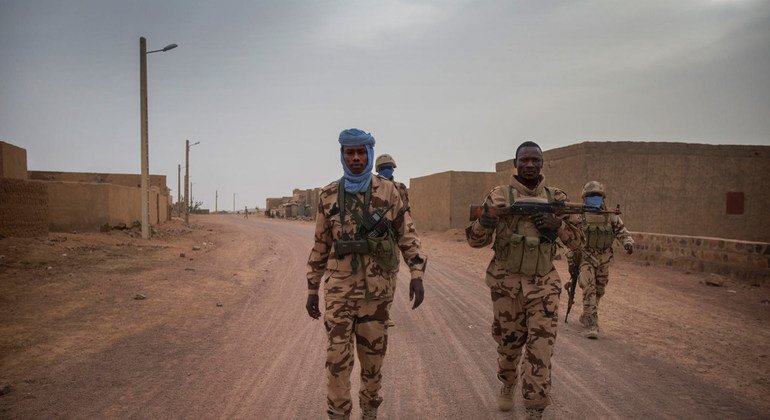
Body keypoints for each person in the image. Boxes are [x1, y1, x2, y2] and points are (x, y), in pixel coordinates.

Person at [306, 128, 427, 420]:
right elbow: (321, 244)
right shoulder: (328, 195)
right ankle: (339, 414)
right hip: (339, 291)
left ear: (370, 154)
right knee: (337, 359)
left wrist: (417, 272)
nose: (357, 158)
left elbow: (406, 234)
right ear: (343, 155)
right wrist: (312, 288)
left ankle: (370, 412)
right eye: (351, 152)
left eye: (362, 152)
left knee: (373, 363)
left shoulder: (389, 192)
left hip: (377, 293)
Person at [466, 141, 583, 420]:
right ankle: (507, 382)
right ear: (515, 164)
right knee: (508, 345)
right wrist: (486, 222)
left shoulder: (557, 199)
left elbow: (579, 243)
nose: (530, 165)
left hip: (543, 285)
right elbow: (474, 240)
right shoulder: (497, 196)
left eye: (535, 160)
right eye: (524, 160)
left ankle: (534, 408)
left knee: (540, 350)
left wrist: (559, 227)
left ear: (542, 164)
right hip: (506, 286)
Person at [569, 181, 634, 339]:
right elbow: (570, 238)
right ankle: (592, 323)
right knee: (589, 288)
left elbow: (622, 231)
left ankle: (587, 314)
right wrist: (571, 258)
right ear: (584, 198)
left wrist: (628, 243)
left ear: (603, 198)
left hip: (604, 259)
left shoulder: (610, 215)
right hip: (586, 257)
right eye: (591, 196)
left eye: (597, 196)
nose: (594, 199)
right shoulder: (579, 216)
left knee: (599, 290)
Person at [375, 153, 411, 328]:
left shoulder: (400, 188)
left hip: (393, 240)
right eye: (383, 168)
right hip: (375, 240)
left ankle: (385, 312)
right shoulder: (372, 187)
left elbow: (406, 214)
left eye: (389, 168)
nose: (386, 171)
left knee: (391, 275)